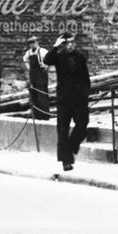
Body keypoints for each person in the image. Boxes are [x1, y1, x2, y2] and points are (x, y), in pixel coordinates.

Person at [43, 32, 91, 171]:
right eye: (67, 43)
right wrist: (55, 46)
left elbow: (85, 77)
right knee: (63, 129)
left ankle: (70, 147)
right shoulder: (58, 56)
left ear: (74, 43)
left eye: (72, 42)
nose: (70, 45)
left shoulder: (80, 56)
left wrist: (86, 93)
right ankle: (66, 161)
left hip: (79, 98)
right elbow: (46, 61)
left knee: (83, 124)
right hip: (64, 98)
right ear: (63, 45)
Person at [22, 36, 51, 120]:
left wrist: (46, 66)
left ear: (37, 42)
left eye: (33, 42)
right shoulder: (28, 53)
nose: (32, 45)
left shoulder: (43, 51)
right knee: (33, 96)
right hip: (33, 76)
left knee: (42, 96)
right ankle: (36, 116)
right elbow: (25, 60)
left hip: (41, 76)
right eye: (30, 43)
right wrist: (29, 68)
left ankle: (45, 116)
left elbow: (49, 59)